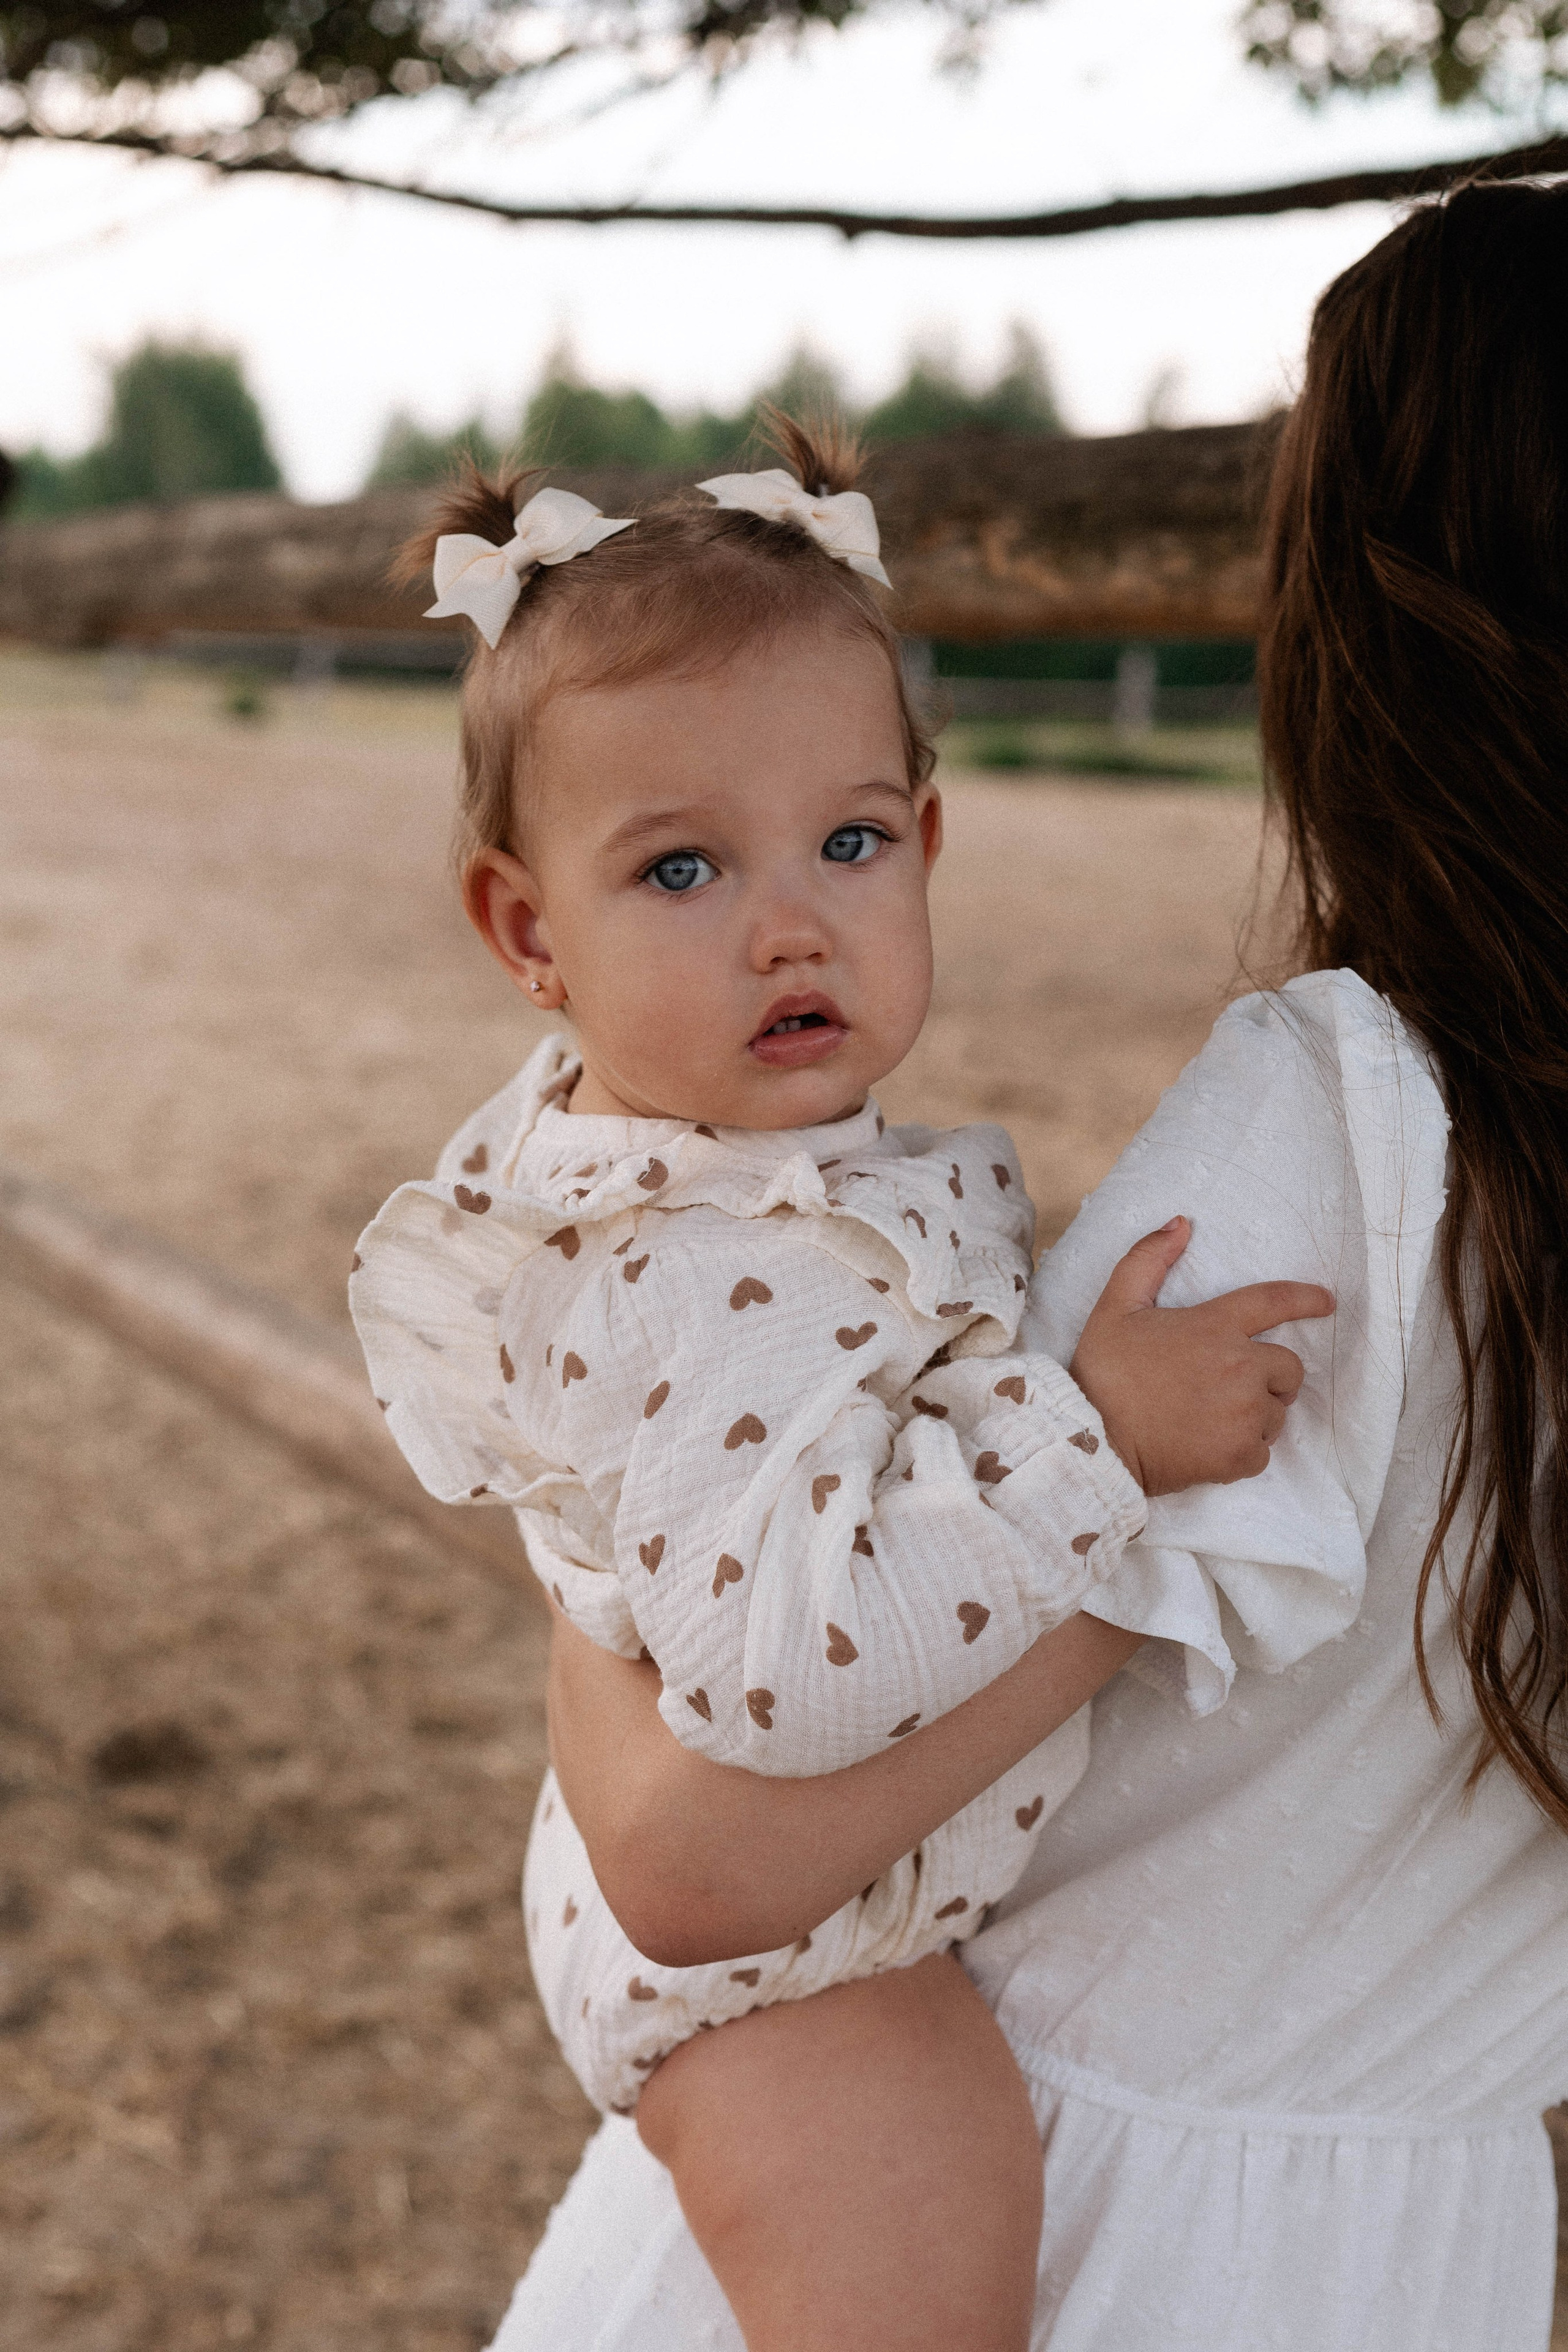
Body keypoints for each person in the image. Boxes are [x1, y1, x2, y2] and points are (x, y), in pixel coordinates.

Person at [495, 178, 1568, 2352]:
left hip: (1071, 2204)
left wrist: (585, 1586)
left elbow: (709, 1858)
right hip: (1412, 2236)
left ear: (1363, 593)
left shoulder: (1353, 1109)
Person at [349, 412, 1330, 2352]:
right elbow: (782, 1681)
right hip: (782, 1974)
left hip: (802, 1911)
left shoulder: (772, 1180)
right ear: (528, 932)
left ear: (928, 842)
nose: (791, 921)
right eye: (684, 867)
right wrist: (1095, 1445)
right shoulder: (687, 1271)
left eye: (852, 842)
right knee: (931, 2265)